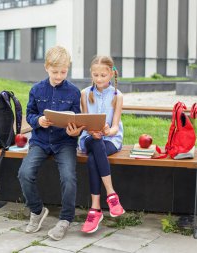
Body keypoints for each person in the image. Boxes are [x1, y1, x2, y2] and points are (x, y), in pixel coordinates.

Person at [18, 45, 84, 241]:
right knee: (24, 173)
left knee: (69, 178)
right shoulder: (36, 89)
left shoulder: (73, 92)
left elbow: (78, 118)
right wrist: (38, 121)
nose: (58, 76)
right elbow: (29, 114)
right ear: (47, 67)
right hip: (40, 140)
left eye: (63, 72)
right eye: (55, 71)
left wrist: (76, 130)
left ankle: (65, 219)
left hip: (65, 142)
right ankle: (37, 210)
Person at [79, 56, 125, 234]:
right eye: (95, 75)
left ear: (111, 74)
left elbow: (115, 127)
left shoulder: (117, 96)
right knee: (95, 142)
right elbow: (83, 122)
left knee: (93, 159)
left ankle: (95, 209)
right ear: (91, 74)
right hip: (88, 139)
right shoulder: (84, 94)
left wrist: (107, 131)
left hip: (110, 140)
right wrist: (91, 131)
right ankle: (111, 194)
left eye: (103, 75)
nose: (99, 79)